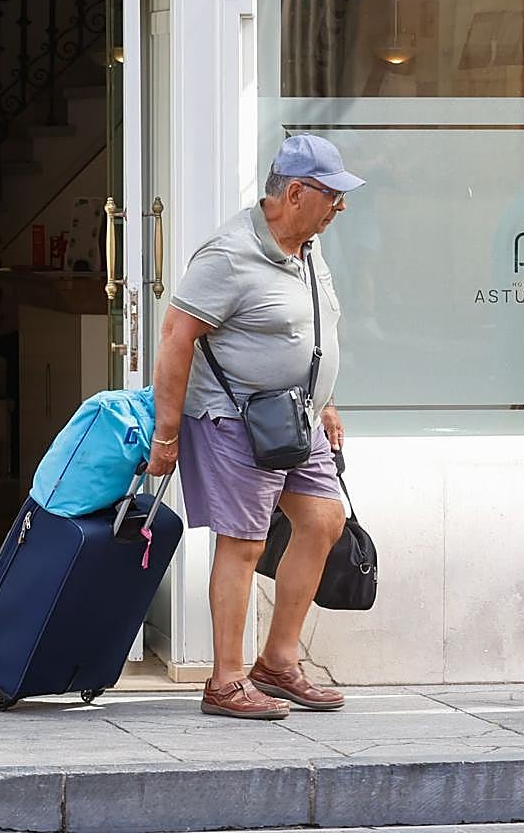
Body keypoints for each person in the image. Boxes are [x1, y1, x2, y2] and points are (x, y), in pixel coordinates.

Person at [148, 135, 364, 720]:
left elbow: (315, 329)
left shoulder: (307, 248)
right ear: (295, 193)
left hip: (297, 416)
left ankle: (278, 663)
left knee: (324, 519)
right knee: (244, 542)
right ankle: (225, 680)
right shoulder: (228, 254)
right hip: (235, 418)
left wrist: (327, 401)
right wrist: (167, 433)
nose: (341, 206)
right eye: (332, 194)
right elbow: (175, 337)